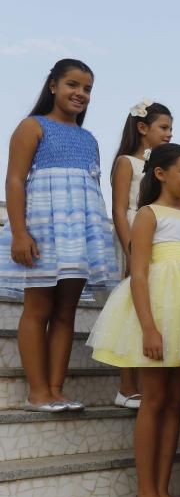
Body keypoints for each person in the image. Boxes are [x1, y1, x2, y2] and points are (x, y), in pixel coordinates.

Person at [88, 143, 180, 497]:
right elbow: (139, 274)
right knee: (153, 401)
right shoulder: (148, 215)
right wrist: (149, 327)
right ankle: (145, 492)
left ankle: (164, 490)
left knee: (174, 405)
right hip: (159, 314)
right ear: (161, 174)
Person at [2, 59, 118, 411]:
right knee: (38, 308)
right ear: (52, 86)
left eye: (86, 89)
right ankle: (37, 391)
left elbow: (92, 191)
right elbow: (15, 180)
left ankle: (56, 389)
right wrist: (20, 232)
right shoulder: (32, 127)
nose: (80, 93)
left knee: (66, 311)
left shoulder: (89, 139)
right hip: (44, 229)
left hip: (78, 234)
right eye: (72, 85)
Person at [109, 99, 174, 410]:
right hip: (134, 235)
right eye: (164, 127)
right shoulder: (126, 162)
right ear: (142, 128)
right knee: (129, 311)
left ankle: (144, 382)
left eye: (171, 128)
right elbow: (120, 210)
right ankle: (125, 386)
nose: (169, 134)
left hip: (157, 236)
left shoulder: (159, 167)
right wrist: (129, 247)